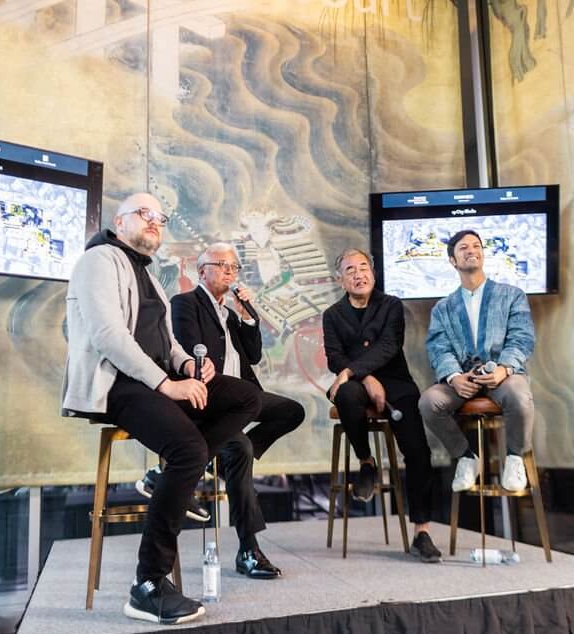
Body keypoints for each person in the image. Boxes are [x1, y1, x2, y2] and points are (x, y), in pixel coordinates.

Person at [62, 192, 261, 624]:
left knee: (247, 397)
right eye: (144, 214)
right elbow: (108, 337)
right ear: (119, 221)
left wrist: (187, 364)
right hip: (119, 384)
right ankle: (148, 584)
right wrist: (167, 384)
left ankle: (176, 478)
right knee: (188, 450)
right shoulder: (99, 260)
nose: (155, 222)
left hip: (154, 379)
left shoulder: (148, 275)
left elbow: (166, 341)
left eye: (161, 218)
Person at [164, 242, 305, 579]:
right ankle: (249, 551)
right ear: (202, 271)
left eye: (234, 267)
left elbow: (253, 356)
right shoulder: (185, 303)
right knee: (238, 449)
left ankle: (225, 465)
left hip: (242, 401)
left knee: (291, 411)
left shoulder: (231, 313)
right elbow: (190, 351)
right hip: (207, 399)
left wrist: (248, 318)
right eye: (222, 265)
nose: (230, 271)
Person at [322, 248, 442, 562]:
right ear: (340, 280)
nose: (359, 274)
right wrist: (363, 380)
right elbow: (333, 356)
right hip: (357, 387)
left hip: (397, 384)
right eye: (350, 270)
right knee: (346, 395)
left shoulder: (390, 305)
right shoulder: (332, 315)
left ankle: (422, 531)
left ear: (373, 275)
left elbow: (389, 345)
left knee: (418, 451)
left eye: (364, 268)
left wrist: (353, 371)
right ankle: (366, 463)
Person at [418, 229, 535, 494]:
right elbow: (439, 346)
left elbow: (522, 336)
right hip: (462, 379)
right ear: (453, 261)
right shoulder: (443, 307)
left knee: (518, 394)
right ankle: (466, 457)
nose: (472, 250)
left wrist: (504, 369)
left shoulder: (511, 295)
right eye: (463, 248)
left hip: (503, 374)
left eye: (476, 246)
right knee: (428, 402)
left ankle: (515, 457)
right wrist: (454, 377)